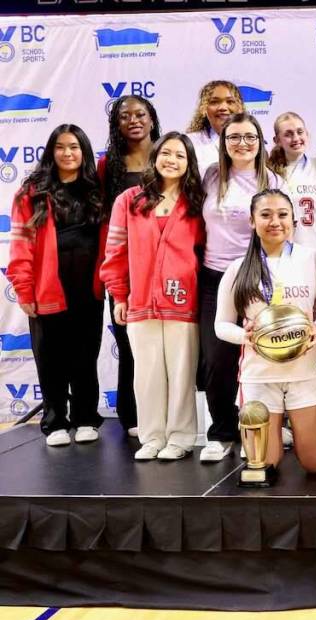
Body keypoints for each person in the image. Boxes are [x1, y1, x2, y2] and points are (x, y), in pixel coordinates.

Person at [215, 189, 316, 476]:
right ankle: (280, 436)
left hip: (305, 370)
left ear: (293, 220)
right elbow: (221, 325)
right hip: (259, 373)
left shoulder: (313, 259)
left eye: (283, 214)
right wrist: (244, 336)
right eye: (265, 215)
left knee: (314, 461)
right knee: (264, 464)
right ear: (252, 221)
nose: (275, 221)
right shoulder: (237, 269)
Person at [100, 132, 205, 461]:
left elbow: (205, 254)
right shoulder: (129, 200)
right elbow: (115, 252)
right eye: (166, 153)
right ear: (155, 156)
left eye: (180, 155)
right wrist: (119, 295)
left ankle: (180, 437)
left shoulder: (197, 203)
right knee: (145, 374)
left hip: (183, 301)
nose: (172, 160)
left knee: (181, 372)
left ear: (189, 164)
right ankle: (152, 436)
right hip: (140, 302)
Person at [6, 124, 106, 446]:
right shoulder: (31, 194)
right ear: (51, 152)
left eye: (74, 147)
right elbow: (20, 246)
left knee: (85, 356)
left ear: (84, 152)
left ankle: (87, 418)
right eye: (61, 147)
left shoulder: (97, 191)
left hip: (87, 291)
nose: (68, 153)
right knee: (50, 359)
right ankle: (55, 422)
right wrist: (24, 289)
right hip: (48, 290)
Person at [199, 112, 283, 462]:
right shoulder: (211, 177)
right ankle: (221, 432)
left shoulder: (272, 179)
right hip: (214, 274)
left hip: (254, 275)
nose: (242, 143)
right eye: (234, 137)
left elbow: (280, 225)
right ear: (224, 142)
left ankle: (271, 427)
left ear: (261, 142)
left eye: (250, 136)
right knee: (217, 357)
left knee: (263, 354)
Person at [98, 94, 162, 438]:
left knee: (173, 346)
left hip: (170, 269)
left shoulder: (168, 155)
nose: (134, 120)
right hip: (128, 270)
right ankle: (133, 413)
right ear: (117, 124)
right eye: (125, 116)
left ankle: (175, 413)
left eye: (141, 114)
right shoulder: (110, 166)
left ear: (152, 118)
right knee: (129, 343)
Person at [267, 112, 316, 261]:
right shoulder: (270, 172)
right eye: (288, 134)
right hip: (282, 254)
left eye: (300, 132)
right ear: (277, 140)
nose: (296, 138)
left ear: (307, 134)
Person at [185, 80, 245, 178]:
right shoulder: (189, 143)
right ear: (203, 109)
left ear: (240, 108)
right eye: (214, 102)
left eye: (230, 102)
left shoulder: (252, 144)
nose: (223, 107)